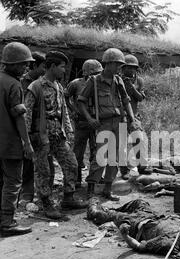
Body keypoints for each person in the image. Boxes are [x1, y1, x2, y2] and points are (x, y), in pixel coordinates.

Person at [24, 51, 88, 220]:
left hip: (57, 134)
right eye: (61, 67)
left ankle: (68, 198)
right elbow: (27, 114)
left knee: (72, 164)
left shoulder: (59, 86)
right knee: (43, 171)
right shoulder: (36, 87)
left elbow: (64, 111)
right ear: (52, 66)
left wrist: (69, 131)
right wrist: (27, 140)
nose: (64, 71)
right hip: (40, 135)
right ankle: (46, 203)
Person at [78, 48, 138, 201]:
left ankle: (107, 189)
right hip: (103, 123)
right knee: (101, 155)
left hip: (119, 121)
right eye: (118, 64)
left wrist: (132, 118)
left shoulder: (118, 81)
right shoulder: (94, 81)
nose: (120, 68)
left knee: (116, 156)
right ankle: (91, 190)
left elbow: (126, 101)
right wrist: (90, 119)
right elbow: (81, 101)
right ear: (108, 63)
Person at [0, 42, 34, 236]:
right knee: (13, 183)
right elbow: (19, 117)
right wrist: (27, 144)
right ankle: (7, 223)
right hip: (10, 143)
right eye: (22, 64)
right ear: (11, 64)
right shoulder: (14, 84)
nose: (25, 68)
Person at [19, 51, 56, 203]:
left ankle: (46, 193)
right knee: (27, 162)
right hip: (26, 126)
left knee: (46, 162)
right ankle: (27, 194)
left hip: (42, 129)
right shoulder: (23, 81)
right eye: (42, 66)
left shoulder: (46, 83)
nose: (44, 69)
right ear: (35, 65)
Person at [65, 59, 103, 188]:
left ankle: (94, 178)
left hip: (96, 122)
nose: (97, 75)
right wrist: (73, 110)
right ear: (86, 73)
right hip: (81, 122)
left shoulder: (99, 84)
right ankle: (76, 179)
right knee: (78, 152)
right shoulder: (75, 84)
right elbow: (65, 97)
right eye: (94, 73)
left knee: (96, 150)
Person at [120, 54, 152, 180]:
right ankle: (123, 170)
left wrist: (132, 88)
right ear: (123, 68)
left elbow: (140, 98)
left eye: (133, 68)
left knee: (139, 138)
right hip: (120, 116)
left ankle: (141, 166)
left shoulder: (139, 81)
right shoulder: (117, 79)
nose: (130, 70)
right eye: (127, 67)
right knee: (121, 143)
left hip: (134, 116)